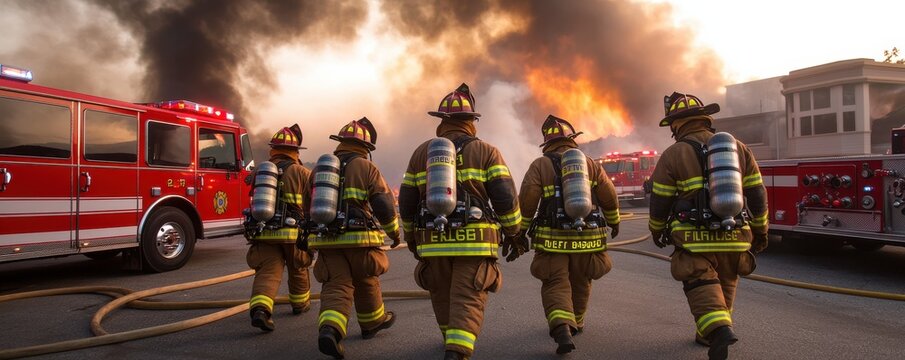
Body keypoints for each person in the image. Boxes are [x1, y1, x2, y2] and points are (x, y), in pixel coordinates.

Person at [398, 83, 521, 360]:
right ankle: (457, 350)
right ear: (471, 122)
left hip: (432, 240)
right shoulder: (487, 151)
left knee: (441, 294)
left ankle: (449, 340)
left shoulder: (421, 153)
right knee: (468, 295)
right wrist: (514, 232)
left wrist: (412, 237)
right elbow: (504, 196)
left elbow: (405, 201)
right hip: (474, 241)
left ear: (441, 122)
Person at [648, 92, 769, 360]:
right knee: (726, 281)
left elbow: (660, 199)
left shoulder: (674, 153)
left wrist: (656, 230)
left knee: (700, 279)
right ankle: (709, 334)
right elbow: (757, 193)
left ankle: (718, 329)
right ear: (705, 118)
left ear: (676, 124)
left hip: (694, 236)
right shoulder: (738, 147)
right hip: (735, 232)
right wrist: (761, 231)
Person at [515, 115, 620, 354]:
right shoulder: (590, 163)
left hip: (552, 238)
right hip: (589, 237)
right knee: (582, 280)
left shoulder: (540, 165)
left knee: (555, 282)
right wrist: (614, 222)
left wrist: (520, 230)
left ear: (547, 143)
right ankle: (578, 322)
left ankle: (562, 326)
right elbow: (609, 195)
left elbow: (528, 200)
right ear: (572, 139)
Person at [304, 117, 401, 359]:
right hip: (360, 239)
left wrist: (305, 234)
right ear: (365, 147)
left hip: (327, 238)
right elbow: (383, 203)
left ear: (341, 143)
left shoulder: (319, 169)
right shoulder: (366, 167)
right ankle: (371, 323)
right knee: (366, 279)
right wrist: (394, 232)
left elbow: (307, 206)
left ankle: (331, 330)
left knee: (336, 285)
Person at [245, 124, 312, 332]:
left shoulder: (261, 171)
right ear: (295, 151)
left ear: (273, 149)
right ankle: (300, 304)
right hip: (293, 233)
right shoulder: (302, 172)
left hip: (264, 231)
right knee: (298, 268)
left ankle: (261, 310)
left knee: (267, 272)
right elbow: (311, 204)